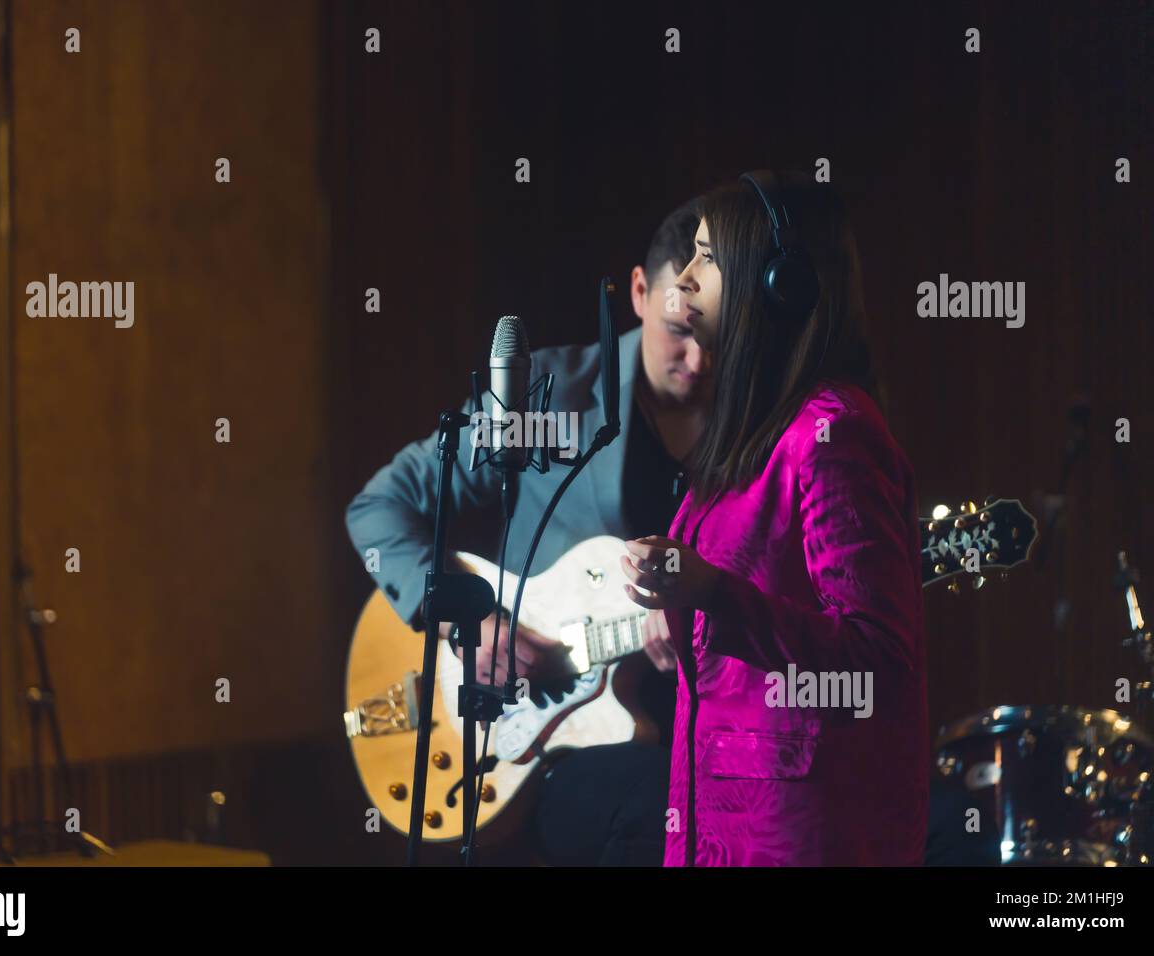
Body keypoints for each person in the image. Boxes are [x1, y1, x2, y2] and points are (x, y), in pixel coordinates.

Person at [345, 198, 712, 865]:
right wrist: (467, 620)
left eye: (720, 334)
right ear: (638, 291)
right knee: (666, 807)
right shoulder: (555, 394)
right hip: (556, 750)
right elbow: (379, 506)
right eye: (679, 329)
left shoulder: (763, 433)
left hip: (696, 724)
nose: (699, 357)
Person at [620, 170, 929, 866]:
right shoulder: (750, 442)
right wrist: (669, 606)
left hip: (795, 834)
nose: (687, 278)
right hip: (713, 819)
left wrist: (709, 591)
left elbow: (875, 662)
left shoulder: (833, 434)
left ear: (776, 286)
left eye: (710, 258)